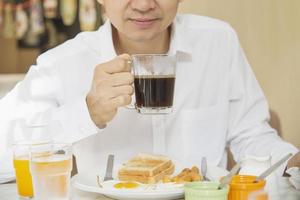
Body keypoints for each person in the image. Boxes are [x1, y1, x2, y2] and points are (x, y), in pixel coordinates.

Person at [0, 0, 299, 195]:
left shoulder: (218, 42)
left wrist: (293, 161)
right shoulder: (62, 63)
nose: (143, 5)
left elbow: (252, 136)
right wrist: (86, 112)